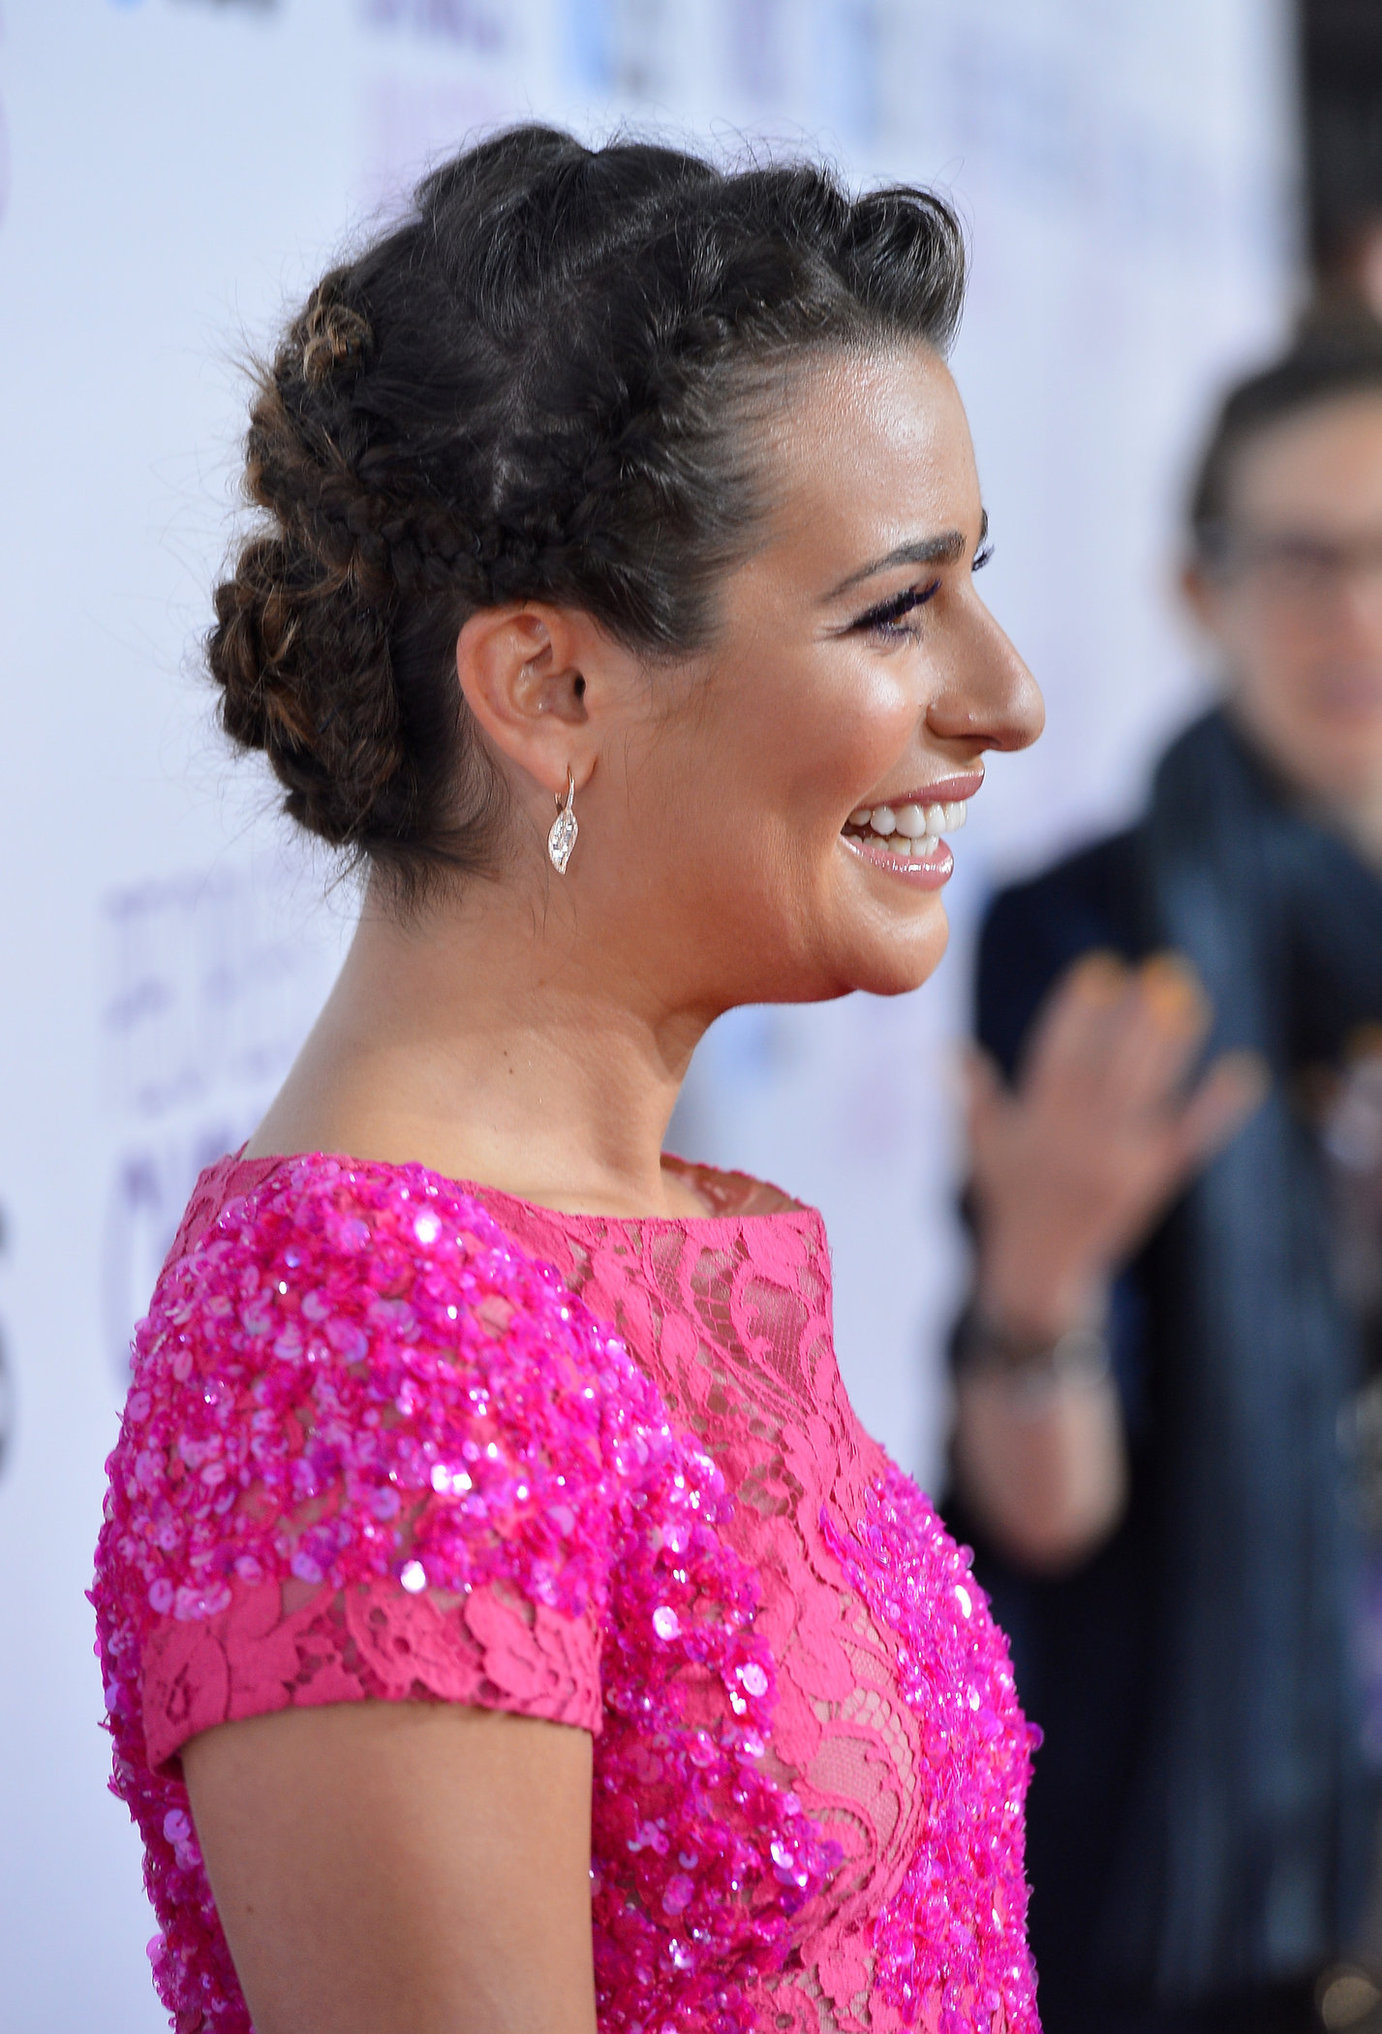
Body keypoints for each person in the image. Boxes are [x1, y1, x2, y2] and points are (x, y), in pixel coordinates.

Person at [90, 127, 1046, 2034]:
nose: (1004, 694)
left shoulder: (610, 1240)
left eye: (972, 587)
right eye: (890, 609)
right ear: (549, 689)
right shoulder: (372, 1327)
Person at [947, 320, 1382, 2034]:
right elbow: (1044, 1514)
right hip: (1202, 1870)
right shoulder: (1088, 943)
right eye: (1299, 561)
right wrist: (1041, 1271)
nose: (1353, 614)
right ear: (1196, 595)